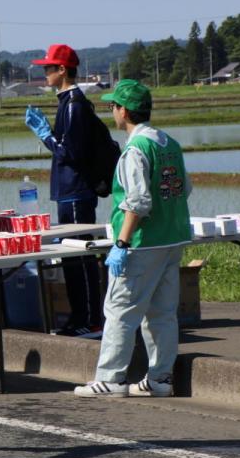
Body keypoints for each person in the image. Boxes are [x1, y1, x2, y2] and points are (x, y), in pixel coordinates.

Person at [74, 80, 191, 398]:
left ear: (123, 111)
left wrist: (122, 243)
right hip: (174, 237)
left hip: (143, 242)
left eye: (113, 106)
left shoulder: (135, 150)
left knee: (120, 310)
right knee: (162, 312)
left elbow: (138, 201)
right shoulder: (169, 144)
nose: (112, 111)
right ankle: (160, 378)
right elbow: (185, 189)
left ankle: (111, 378)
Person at [24, 43, 105, 336]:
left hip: (76, 191)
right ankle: (81, 317)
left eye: (48, 68)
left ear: (62, 70)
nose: (45, 73)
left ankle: (89, 320)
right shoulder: (68, 102)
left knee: (79, 256)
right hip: (71, 191)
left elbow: (69, 152)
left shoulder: (73, 104)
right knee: (75, 257)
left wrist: (45, 134)